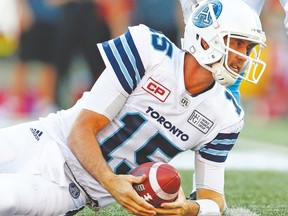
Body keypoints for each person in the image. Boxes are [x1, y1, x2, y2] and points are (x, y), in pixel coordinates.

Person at [0, 0, 267, 215]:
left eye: (249, 47)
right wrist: (111, 182)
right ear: (208, 39)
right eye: (238, 43)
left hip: (73, 188)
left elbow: (213, 197)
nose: (244, 57)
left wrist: (190, 209)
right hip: (46, 138)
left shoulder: (227, 116)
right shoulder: (148, 50)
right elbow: (81, 130)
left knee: (5, 197)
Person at [6, 0, 61, 116]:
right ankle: (15, 101)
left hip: (53, 20)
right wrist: (22, 11)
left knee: (49, 63)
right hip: (31, 19)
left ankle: (46, 103)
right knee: (22, 61)